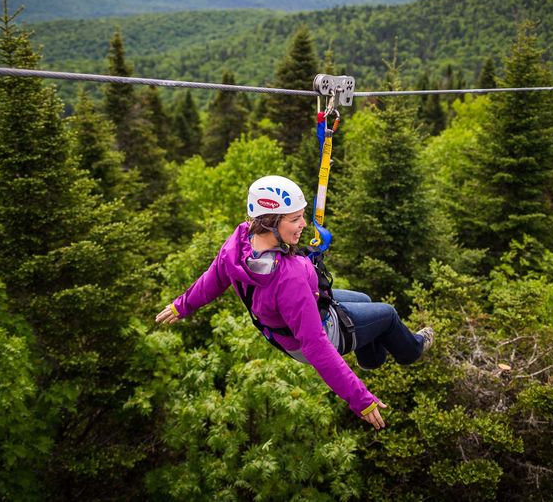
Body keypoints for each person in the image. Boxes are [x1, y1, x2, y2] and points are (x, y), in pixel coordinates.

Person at [155, 175, 433, 430]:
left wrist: (183, 305)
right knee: (387, 314)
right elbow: (316, 345)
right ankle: (412, 351)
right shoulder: (289, 280)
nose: (303, 224)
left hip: (289, 321)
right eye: (295, 219)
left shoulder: (240, 240)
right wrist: (361, 399)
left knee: (364, 301)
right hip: (316, 332)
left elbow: (214, 278)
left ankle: (370, 358)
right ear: (270, 222)